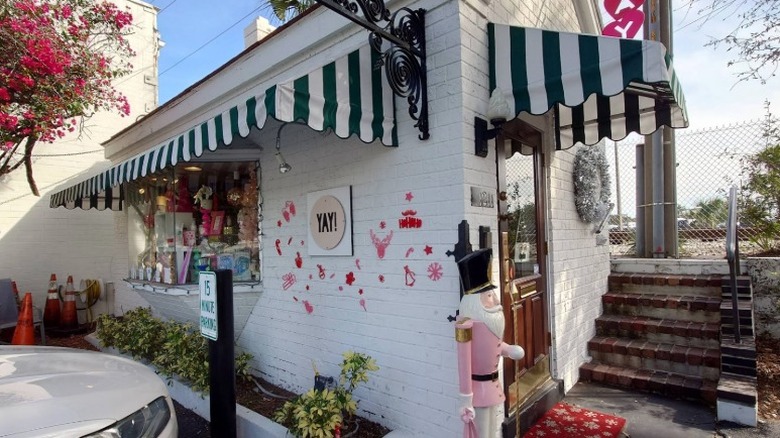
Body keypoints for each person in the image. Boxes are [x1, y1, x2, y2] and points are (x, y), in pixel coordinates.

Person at [455, 248, 524, 438]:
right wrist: (465, 400)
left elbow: (492, 345)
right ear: (475, 303)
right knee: (481, 432)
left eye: (493, 295)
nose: (495, 300)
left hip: (493, 386)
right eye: (489, 297)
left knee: (492, 428)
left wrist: (508, 349)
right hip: (477, 390)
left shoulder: (489, 322)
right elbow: (464, 364)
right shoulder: (465, 326)